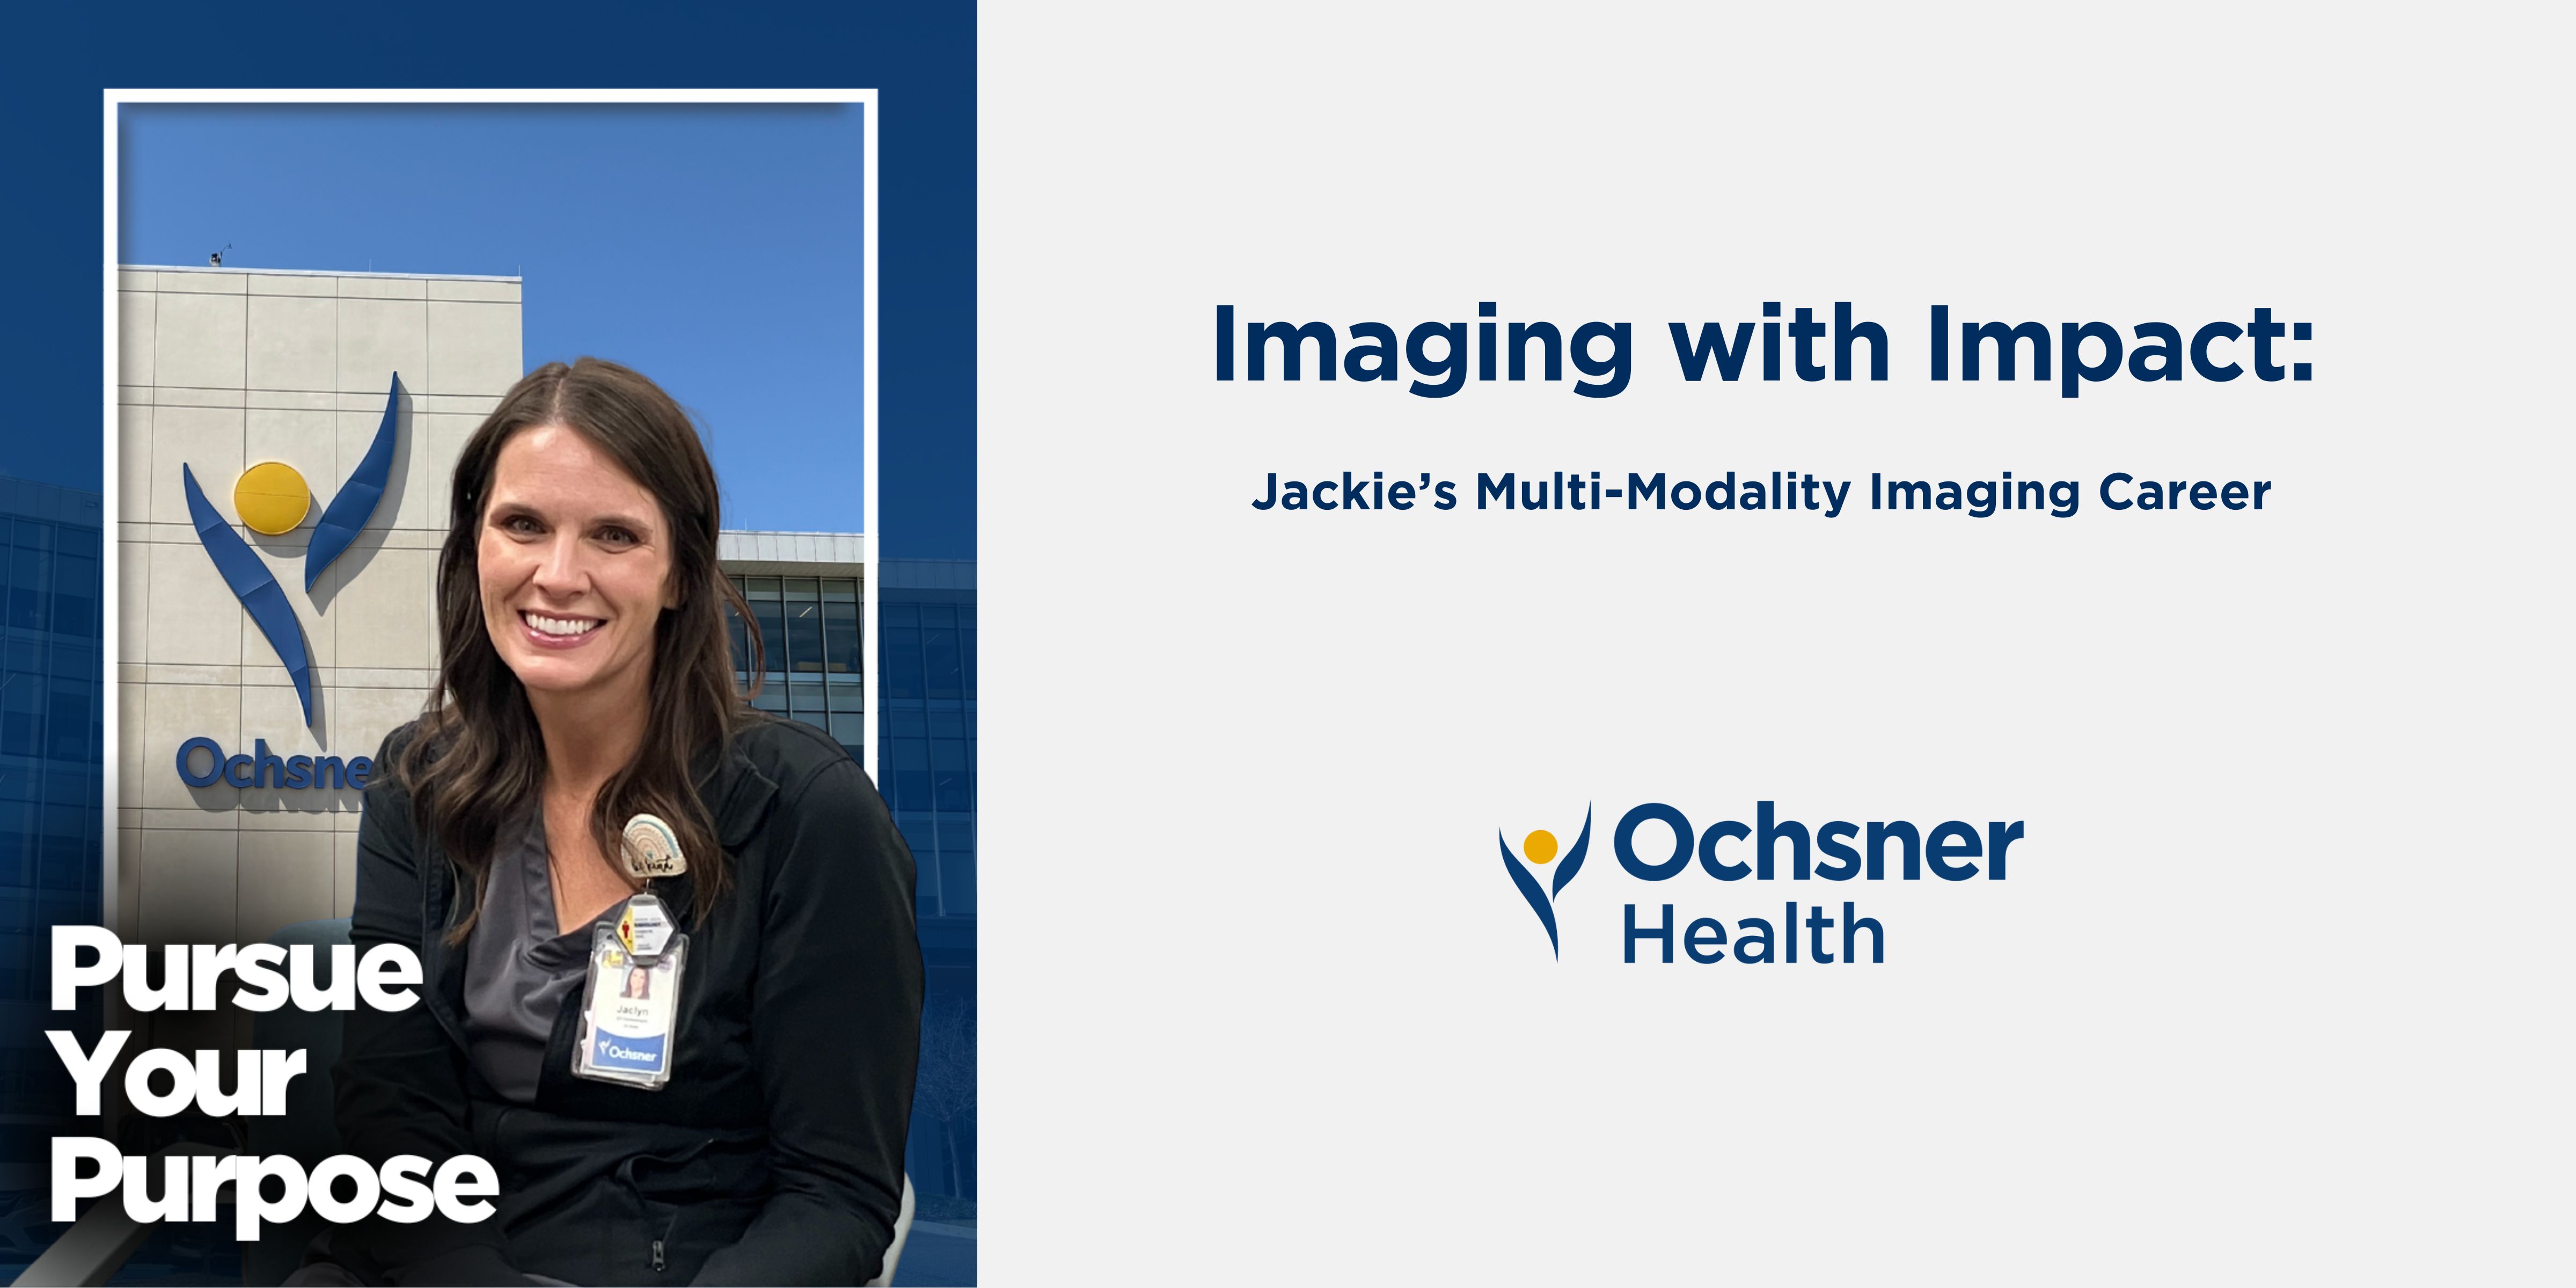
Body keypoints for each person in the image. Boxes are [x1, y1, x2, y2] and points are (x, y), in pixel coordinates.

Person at [316, 358, 921, 1286]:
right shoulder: (418, 786)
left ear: (679, 575)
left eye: (614, 535)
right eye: (523, 524)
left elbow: (835, 1197)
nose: (560, 576)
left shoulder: (808, 813)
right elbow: (395, 1117)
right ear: (475, 545)